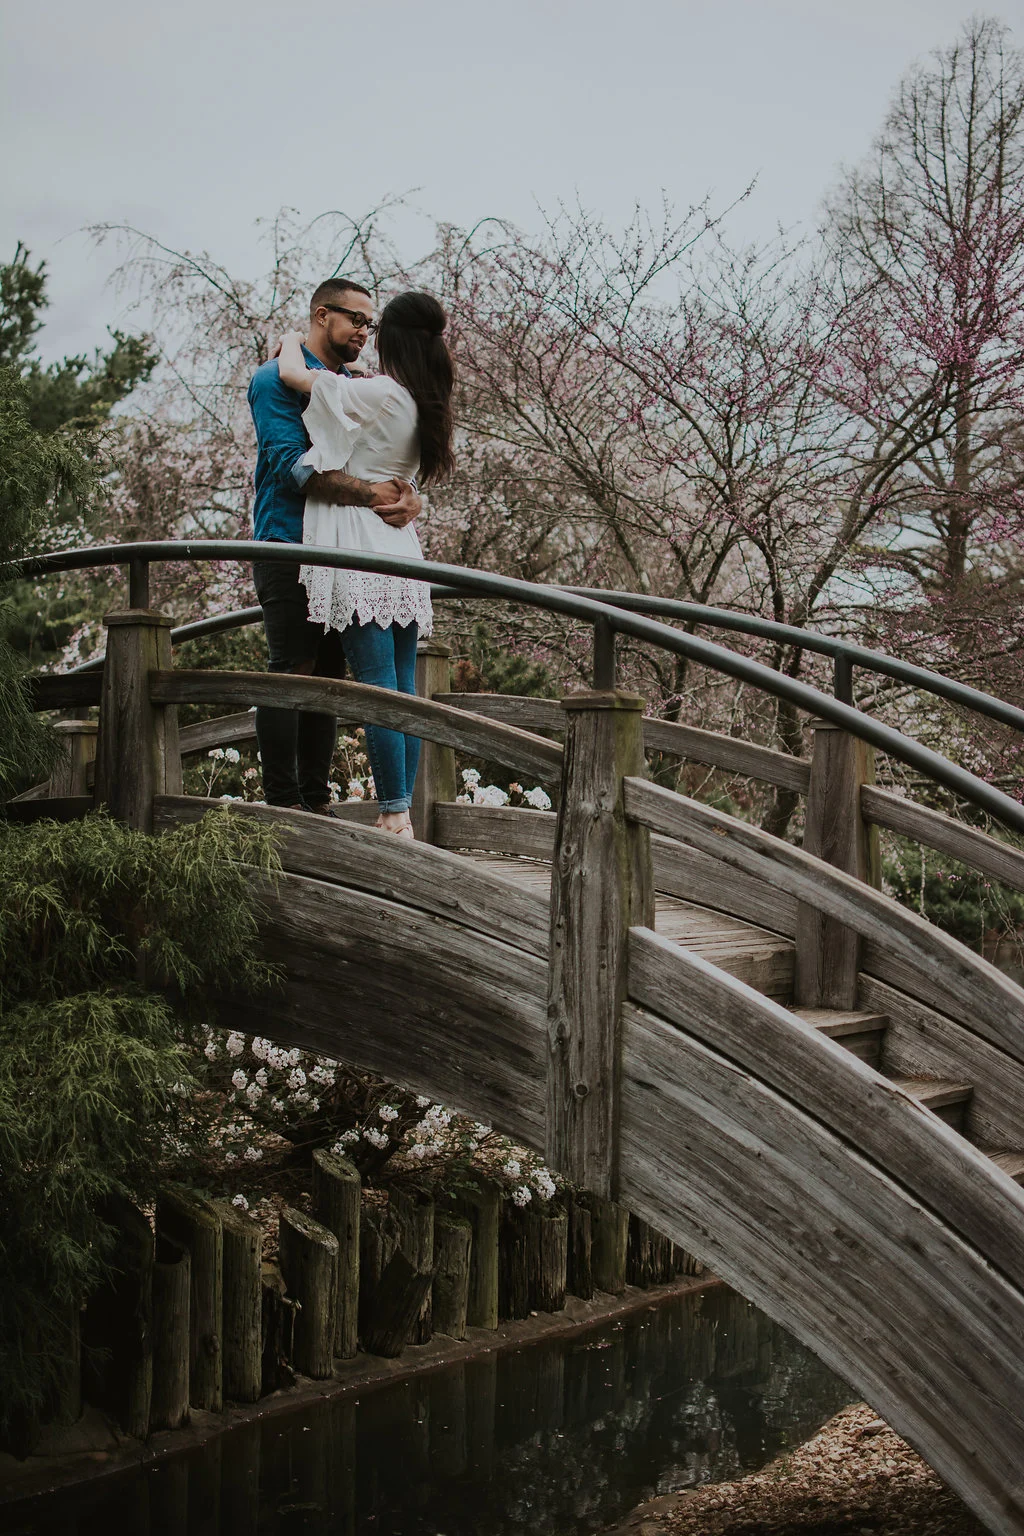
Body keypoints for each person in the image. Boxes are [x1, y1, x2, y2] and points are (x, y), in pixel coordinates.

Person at [276, 290, 456, 838]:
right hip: (399, 547)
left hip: (357, 541)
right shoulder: (422, 400)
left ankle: (394, 814)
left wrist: (290, 337)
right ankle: (401, 811)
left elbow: (294, 375)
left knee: (377, 684)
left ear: (393, 340)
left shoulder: (381, 393)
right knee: (402, 688)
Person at [247, 277, 422, 814]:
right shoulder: (273, 381)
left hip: (343, 550)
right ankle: (284, 807)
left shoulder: (352, 385)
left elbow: (385, 456)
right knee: (292, 668)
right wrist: (372, 494)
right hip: (289, 542)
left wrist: (411, 497)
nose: (365, 332)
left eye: (372, 323)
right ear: (322, 315)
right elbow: (292, 468)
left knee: (330, 677)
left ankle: (316, 802)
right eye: (356, 320)